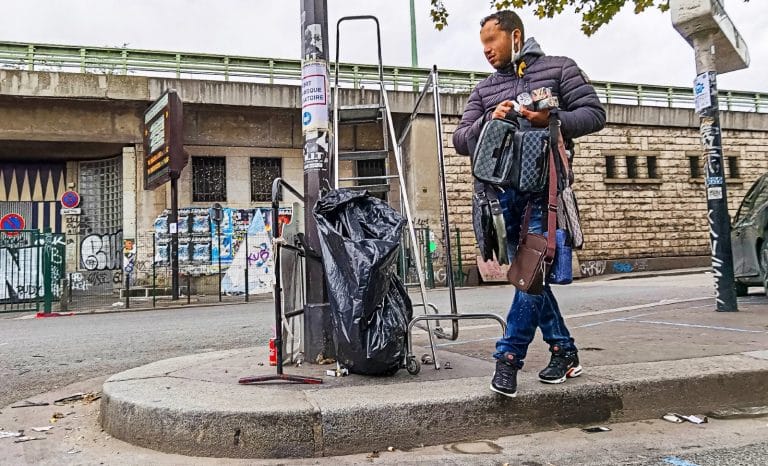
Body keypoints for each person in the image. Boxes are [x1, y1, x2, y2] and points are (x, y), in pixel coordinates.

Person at [452, 10, 606, 397]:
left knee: (532, 271)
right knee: (528, 275)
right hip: (500, 196)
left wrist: (550, 119)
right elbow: (460, 140)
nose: (486, 50)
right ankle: (564, 351)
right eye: (482, 44)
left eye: (492, 41)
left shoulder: (559, 68)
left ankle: (508, 358)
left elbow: (594, 114)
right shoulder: (484, 90)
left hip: (545, 191)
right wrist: (489, 120)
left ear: (515, 36)